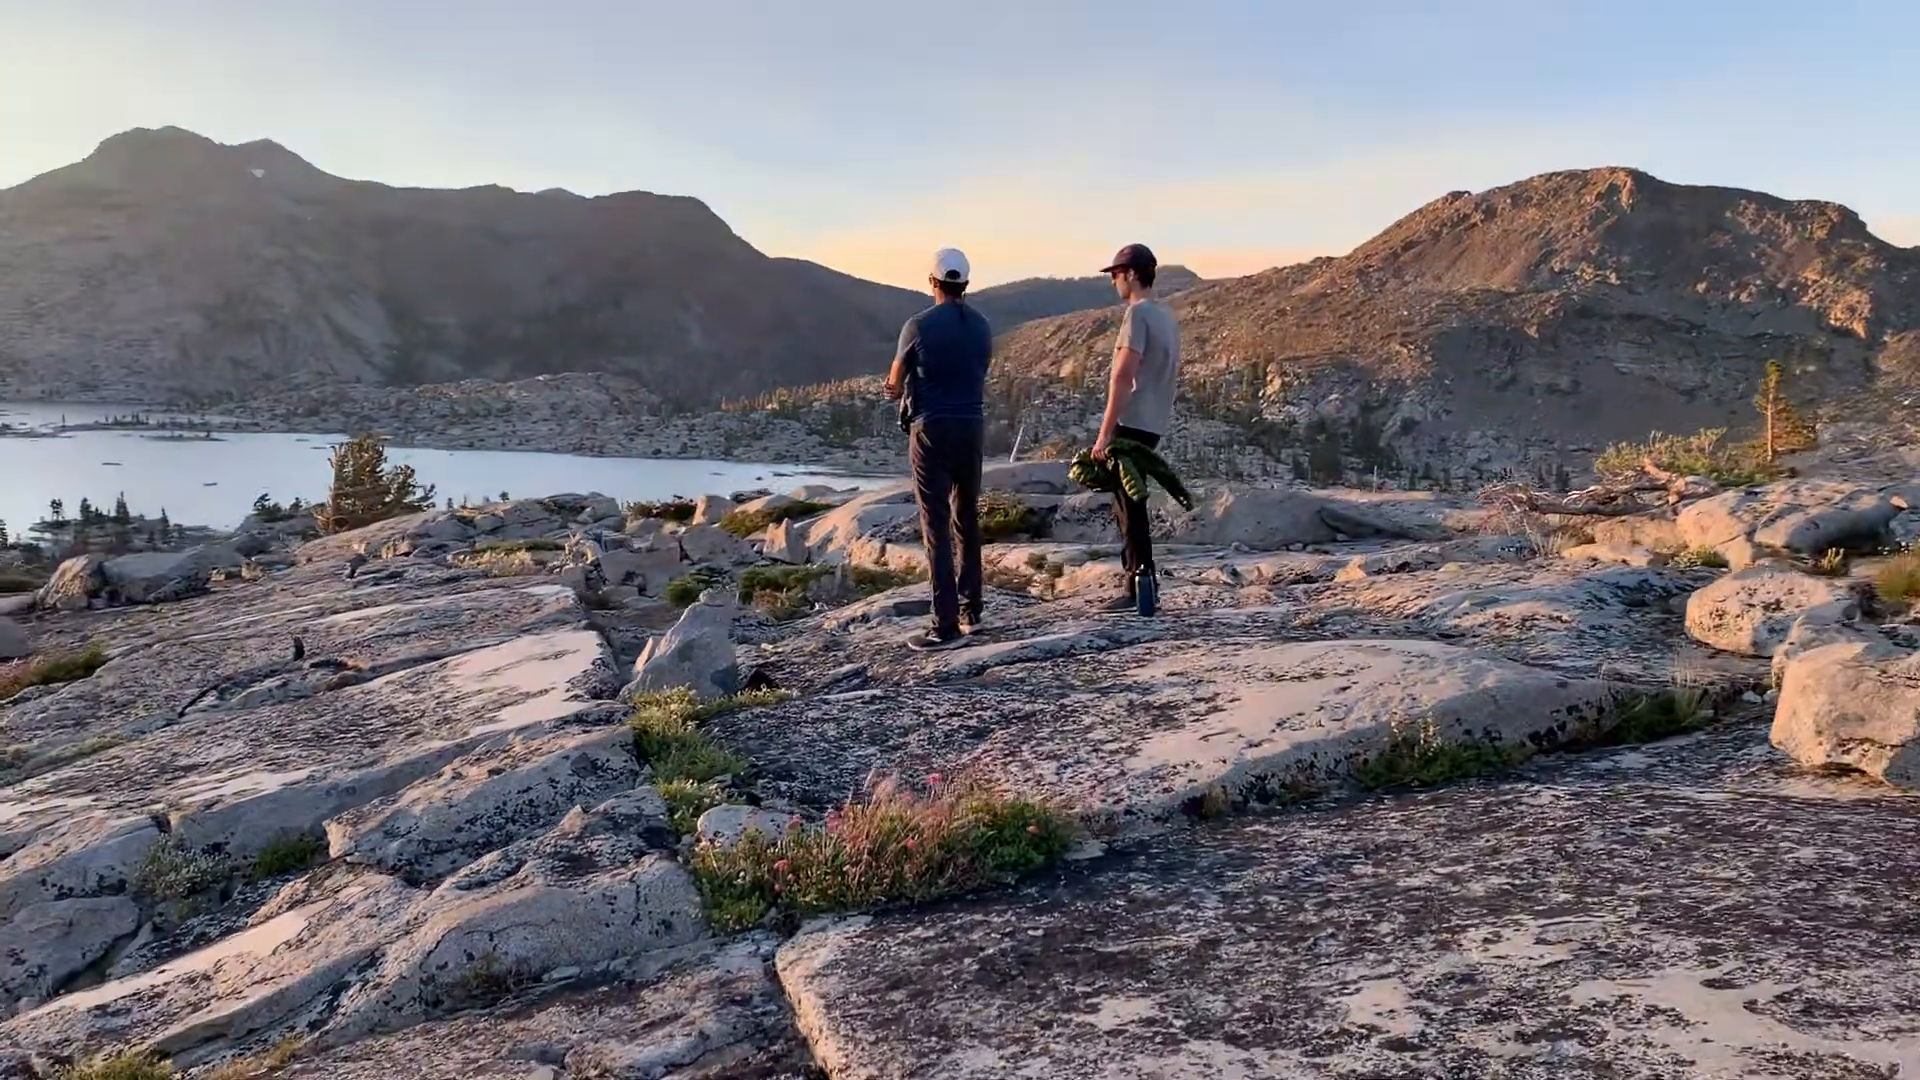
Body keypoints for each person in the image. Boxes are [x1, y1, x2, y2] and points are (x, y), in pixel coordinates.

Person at [884, 247, 993, 650]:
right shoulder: (982, 326)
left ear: (933, 282)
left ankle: (943, 625)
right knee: (966, 517)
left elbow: (895, 382)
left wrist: (895, 389)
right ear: (965, 283)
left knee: (936, 524)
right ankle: (971, 613)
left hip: (931, 429)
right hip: (972, 426)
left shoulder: (917, 325)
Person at [1091, 243, 1182, 614]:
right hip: (1154, 423)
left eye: (1115, 274)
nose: (1113, 281)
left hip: (1131, 421)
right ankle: (1144, 583)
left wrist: (1104, 434)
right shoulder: (1167, 317)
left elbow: (1123, 376)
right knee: (1133, 503)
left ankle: (1137, 587)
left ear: (1130, 274)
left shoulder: (1137, 315)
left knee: (1128, 507)